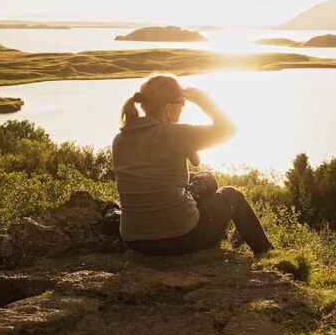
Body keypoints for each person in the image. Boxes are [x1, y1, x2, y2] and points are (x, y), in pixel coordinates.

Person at [109, 74, 272, 256]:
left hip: (137, 241)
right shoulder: (172, 133)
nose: (183, 109)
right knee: (232, 195)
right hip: (181, 238)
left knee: (203, 178)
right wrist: (205, 102)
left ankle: (238, 236)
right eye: (182, 104)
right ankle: (265, 252)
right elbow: (229, 129)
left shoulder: (120, 139)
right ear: (168, 107)